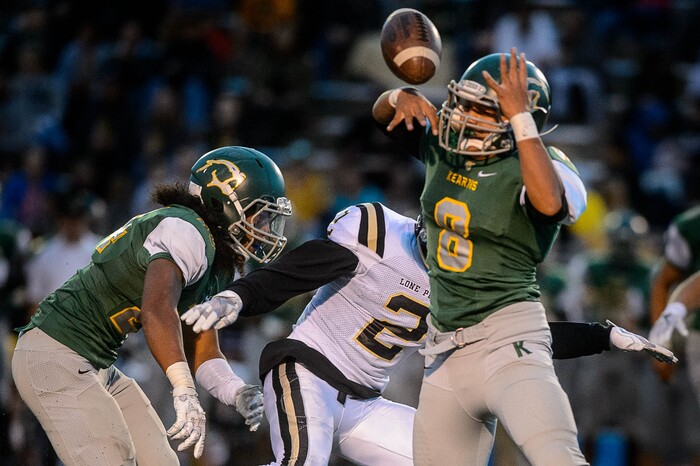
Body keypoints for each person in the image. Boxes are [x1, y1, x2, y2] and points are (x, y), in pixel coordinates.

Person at [181, 201, 675, 465]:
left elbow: (524, 338)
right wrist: (240, 296)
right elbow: (301, 269)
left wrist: (602, 336)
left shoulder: (463, 294)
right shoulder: (376, 232)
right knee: (303, 462)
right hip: (304, 368)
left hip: (365, 402)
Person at [371, 48, 588, 465]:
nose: (462, 114)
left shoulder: (543, 165)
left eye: (482, 109)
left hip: (510, 339)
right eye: (462, 102)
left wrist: (520, 120)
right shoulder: (444, 147)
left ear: (518, 118)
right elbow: (383, 115)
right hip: (445, 350)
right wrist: (400, 96)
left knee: (557, 458)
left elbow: (550, 203)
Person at [10, 146, 292, 465]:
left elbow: (201, 344)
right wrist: (183, 389)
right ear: (225, 202)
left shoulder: (215, 257)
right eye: (262, 215)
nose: (267, 229)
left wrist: (235, 391)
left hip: (95, 362)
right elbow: (157, 311)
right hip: (54, 354)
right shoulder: (186, 230)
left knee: (161, 461)